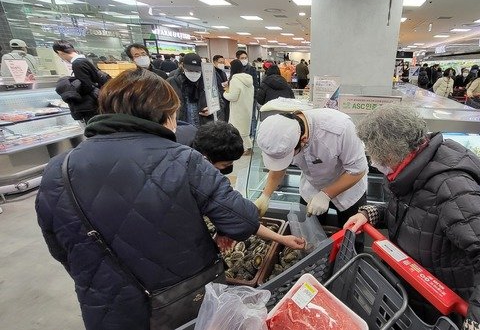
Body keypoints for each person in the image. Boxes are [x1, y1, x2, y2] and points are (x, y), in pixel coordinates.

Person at [36, 68, 305, 330]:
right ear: (165, 114)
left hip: (107, 306)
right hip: (179, 302)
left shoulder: (57, 170)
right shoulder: (184, 160)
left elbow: (59, 247)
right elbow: (243, 221)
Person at [344, 104, 480, 330]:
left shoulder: (451, 186)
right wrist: (371, 214)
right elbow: (415, 214)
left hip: (443, 306)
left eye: (371, 149)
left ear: (389, 149)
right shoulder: (409, 170)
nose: (371, 158)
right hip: (415, 294)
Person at [254, 109, 368, 228]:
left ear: (303, 140)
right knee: (310, 235)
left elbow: (358, 170)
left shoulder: (340, 128)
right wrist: (266, 195)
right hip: (312, 188)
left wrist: (326, 195)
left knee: (351, 235)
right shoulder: (281, 130)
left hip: (348, 190)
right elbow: (279, 167)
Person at [53, 40, 109, 122]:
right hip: (97, 102)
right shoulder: (84, 60)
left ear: (60, 52)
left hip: (91, 105)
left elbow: (87, 86)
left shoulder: (77, 64)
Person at [167, 53, 210, 127]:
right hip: (181, 127)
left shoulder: (206, 82)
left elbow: (219, 102)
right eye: (190, 70)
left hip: (204, 127)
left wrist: (212, 109)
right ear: (183, 67)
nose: (193, 73)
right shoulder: (171, 83)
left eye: (197, 71)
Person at [224, 59, 254, 155]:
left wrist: (225, 93)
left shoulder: (235, 80)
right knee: (244, 130)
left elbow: (233, 97)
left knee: (237, 130)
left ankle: (246, 148)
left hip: (238, 109)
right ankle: (247, 148)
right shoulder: (249, 79)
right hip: (247, 108)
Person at [213, 55, 229, 121]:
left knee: (226, 117)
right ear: (214, 62)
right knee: (220, 119)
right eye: (220, 62)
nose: (222, 64)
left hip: (226, 97)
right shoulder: (212, 72)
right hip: (218, 99)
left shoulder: (223, 72)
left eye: (223, 62)